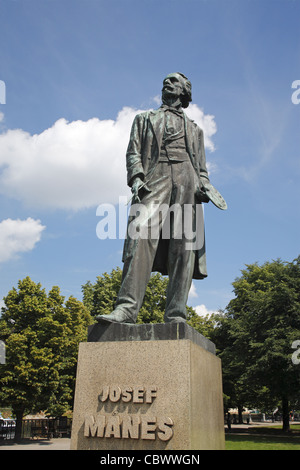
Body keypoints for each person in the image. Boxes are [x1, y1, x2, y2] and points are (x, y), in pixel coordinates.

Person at [97, 73, 218, 324]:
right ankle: (126, 308)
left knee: (184, 246)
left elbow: (202, 168)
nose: (167, 82)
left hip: (187, 179)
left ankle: (176, 314)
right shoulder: (143, 119)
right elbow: (133, 151)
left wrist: (204, 185)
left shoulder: (195, 129)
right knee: (139, 234)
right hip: (155, 176)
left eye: (174, 81)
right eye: (166, 80)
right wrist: (136, 177)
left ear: (184, 91)